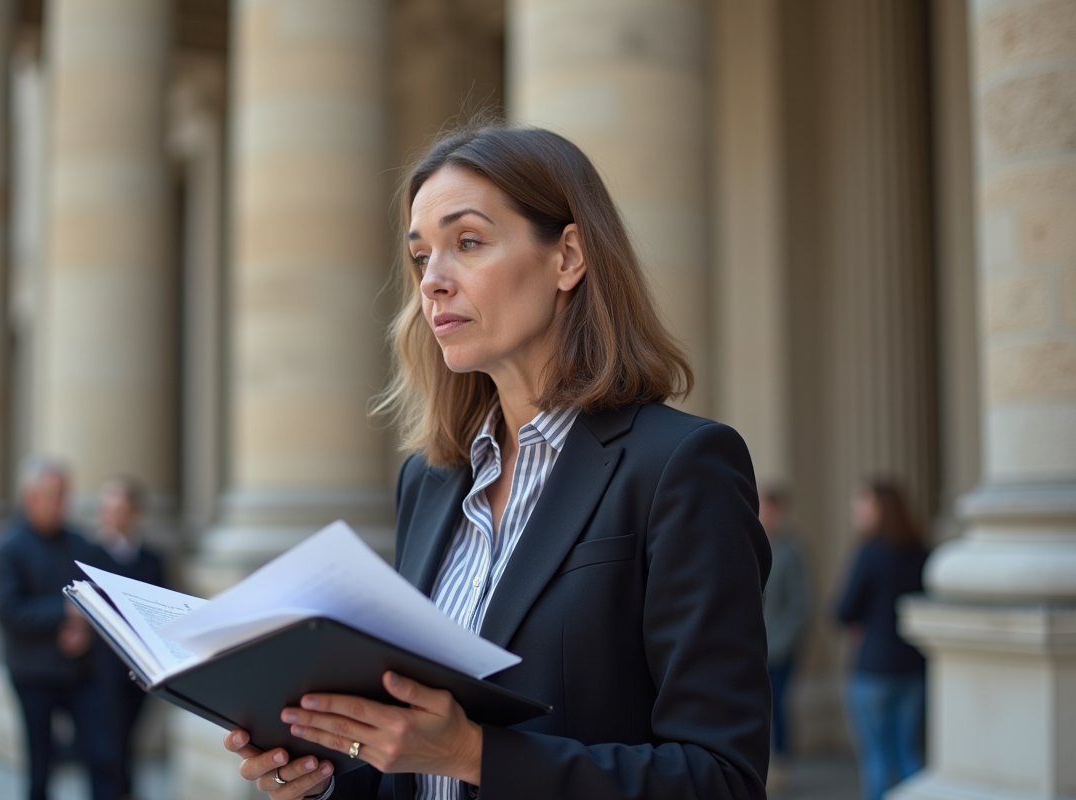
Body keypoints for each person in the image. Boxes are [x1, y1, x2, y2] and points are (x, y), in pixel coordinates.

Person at [223, 124, 773, 800]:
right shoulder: (429, 483)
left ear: (568, 257)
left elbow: (720, 780)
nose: (433, 282)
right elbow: (416, 771)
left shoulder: (681, 468)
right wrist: (325, 782)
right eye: (421, 257)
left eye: (468, 243)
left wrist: (476, 754)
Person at [0, 457, 118, 800]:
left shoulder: (79, 542)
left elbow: (100, 598)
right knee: (41, 764)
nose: (65, 505)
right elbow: (8, 610)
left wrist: (86, 630)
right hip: (34, 673)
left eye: (66, 495)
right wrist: (62, 612)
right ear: (31, 497)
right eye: (56, 496)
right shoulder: (8, 547)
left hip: (81, 669)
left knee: (101, 754)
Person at [836, 480, 929, 800]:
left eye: (862, 504)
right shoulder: (921, 550)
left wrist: (855, 624)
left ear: (880, 508)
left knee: (876, 758)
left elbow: (843, 609)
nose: (856, 511)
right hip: (913, 665)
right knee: (907, 755)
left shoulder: (870, 552)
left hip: (874, 667)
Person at [93, 477, 165, 799]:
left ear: (134, 512)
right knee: (108, 742)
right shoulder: (91, 554)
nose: (112, 515)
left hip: (141, 664)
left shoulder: (152, 560)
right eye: (107, 508)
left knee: (127, 739)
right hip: (101, 666)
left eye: (119, 508)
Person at [759, 486, 810, 783]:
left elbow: (800, 604)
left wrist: (781, 641)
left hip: (777, 649)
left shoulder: (791, 551)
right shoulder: (748, 543)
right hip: (752, 647)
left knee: (777, 706)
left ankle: (781, 767)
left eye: (767, 507)